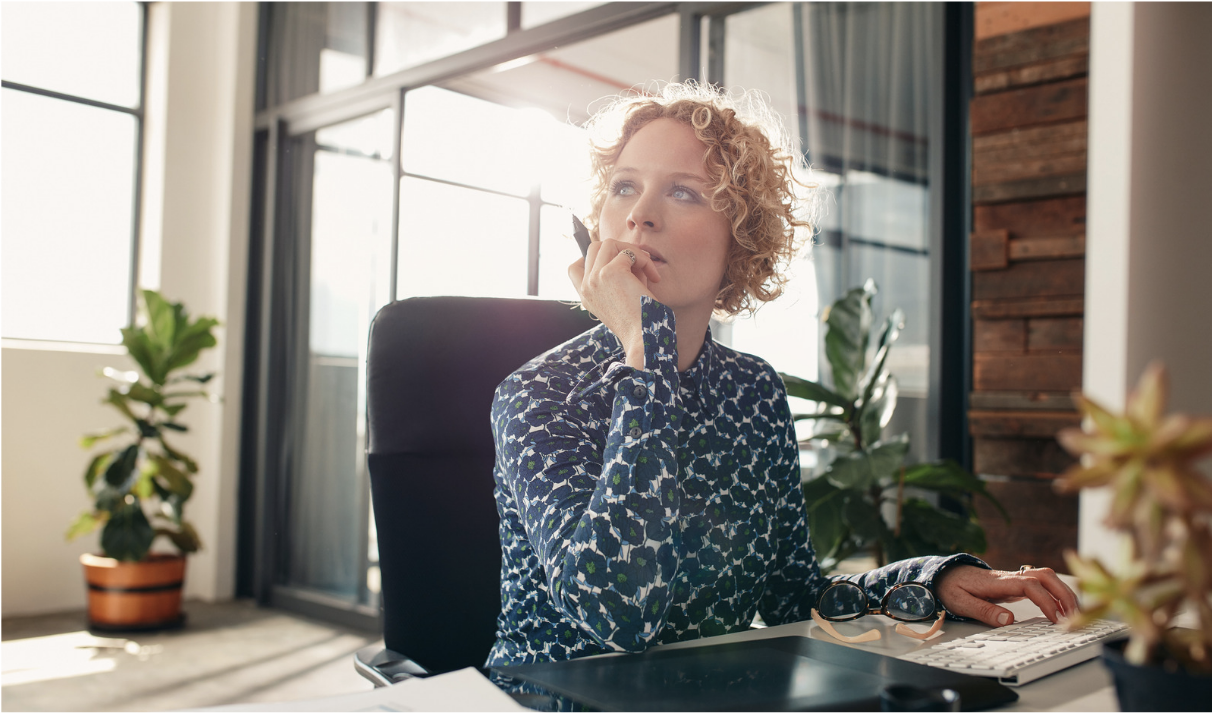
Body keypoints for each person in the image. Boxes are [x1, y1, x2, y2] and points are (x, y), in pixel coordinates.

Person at [485, 82, 1078, 670]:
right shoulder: (540, 394)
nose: (641, 214)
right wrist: (645, 351)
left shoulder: (753, 391)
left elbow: (791, 594)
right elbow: (617, 612)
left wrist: (934, 579)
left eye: (684, 193)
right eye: (624, 187)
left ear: (740, 239)